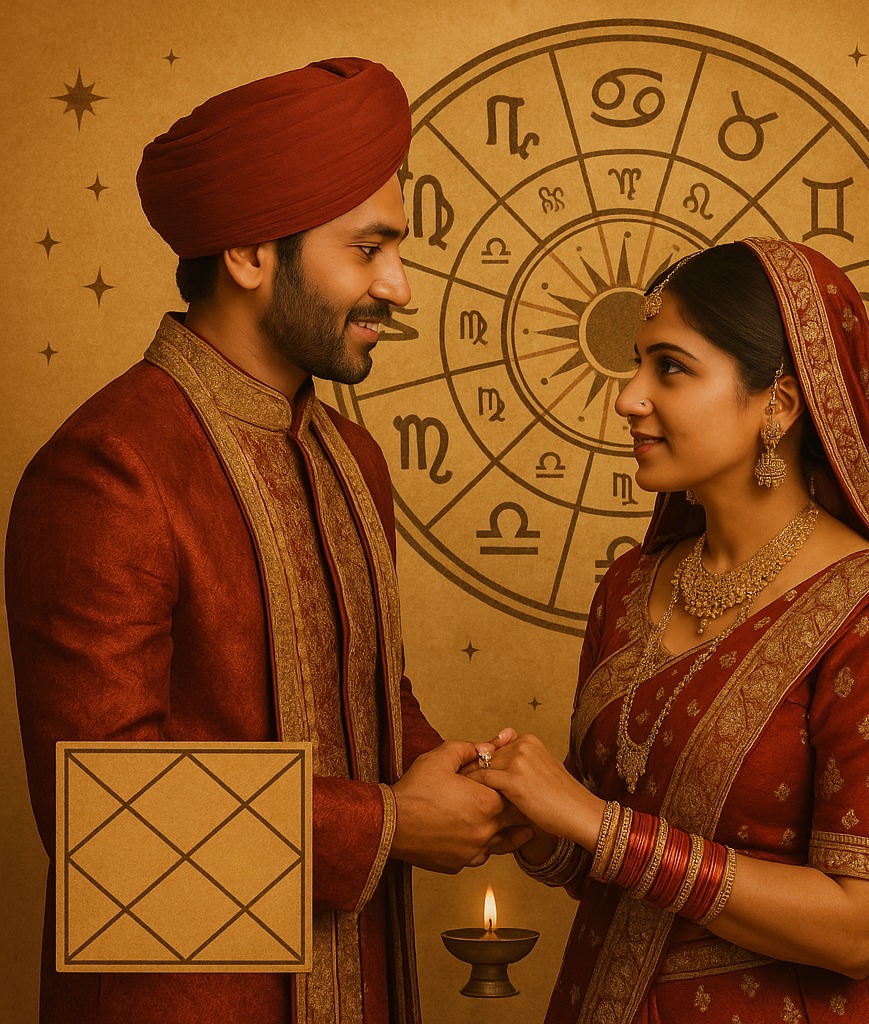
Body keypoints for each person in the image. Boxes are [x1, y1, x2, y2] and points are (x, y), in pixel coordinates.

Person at [6, 58, 525, 1024]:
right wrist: (392, 824)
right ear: (249, 254)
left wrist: (468, 777)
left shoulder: (351, 457)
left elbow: (360, 691)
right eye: (367, 250)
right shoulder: (109, 466)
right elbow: (99, 822)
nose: (400, 287)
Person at [469, 239, 869, 1022]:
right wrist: (534, 822)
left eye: (670, 368)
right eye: (636, 365)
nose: (628, 397)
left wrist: (594, 822)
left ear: (779, 404)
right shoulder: (628, 588)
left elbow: (860, 931)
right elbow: (603, 861)